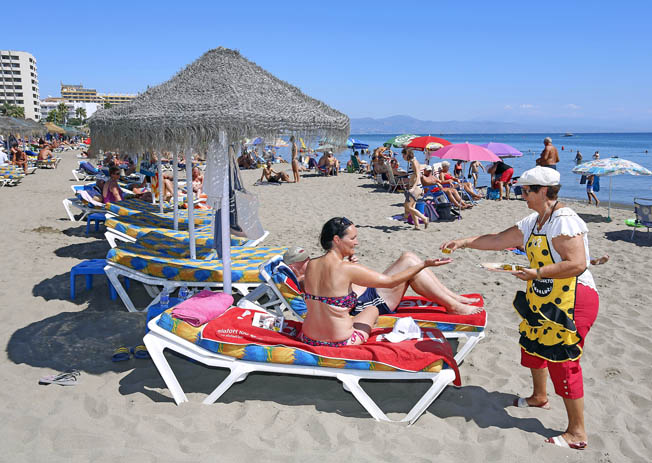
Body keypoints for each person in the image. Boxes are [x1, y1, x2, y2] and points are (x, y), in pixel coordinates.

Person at [441, 166, 598, 450]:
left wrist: (537, 273)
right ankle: (539, 397)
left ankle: (577, 431)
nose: (521, 194)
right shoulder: (534, 221)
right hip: (544, 294)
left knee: (563, 361)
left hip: (574, 298)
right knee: (532, 345)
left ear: (543, 191)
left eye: (526, 191)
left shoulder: (564, 221)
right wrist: (464, 242)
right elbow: (499, 240)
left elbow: (577, 264)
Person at [294, 219, 481, 347]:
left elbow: (327, 290)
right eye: (352, 238)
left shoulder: (312, 265)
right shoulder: (346, 269)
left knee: (408, 259)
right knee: (373, 308)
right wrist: (424, 264)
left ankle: (454, 300)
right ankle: (453, 304)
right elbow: (390, 282)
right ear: (337, 240)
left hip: (308, 337)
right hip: (340, 340)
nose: (356, 243)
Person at [402, 149, 429, 230]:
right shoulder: (411, 162)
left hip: (416, 187)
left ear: (407, 154)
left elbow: (418, 175)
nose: (403, 157)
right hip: (414, 187)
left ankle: (424, 218)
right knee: (412, 206)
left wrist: (413, 188)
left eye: (403, 155)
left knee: (407, 206)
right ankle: (417, 226)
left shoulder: (414, 161)